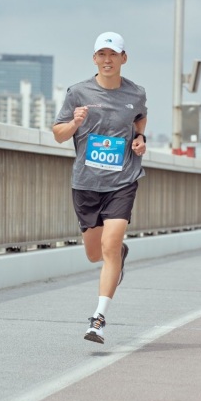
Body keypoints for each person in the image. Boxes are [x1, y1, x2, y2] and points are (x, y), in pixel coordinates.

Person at [52, 31, 148, 344]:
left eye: (113, 54)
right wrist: (76, 124)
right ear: (95, 58)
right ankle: (118, 255)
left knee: (110, 245)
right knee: (97, 254)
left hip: (122, 181)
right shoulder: (78, 92)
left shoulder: (136, 92)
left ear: (124, 58)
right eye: (102, 55)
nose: (108, 60)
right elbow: (58, 134)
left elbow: (140, 118)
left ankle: (98, 319)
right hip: (86, 184)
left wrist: (140, 138)